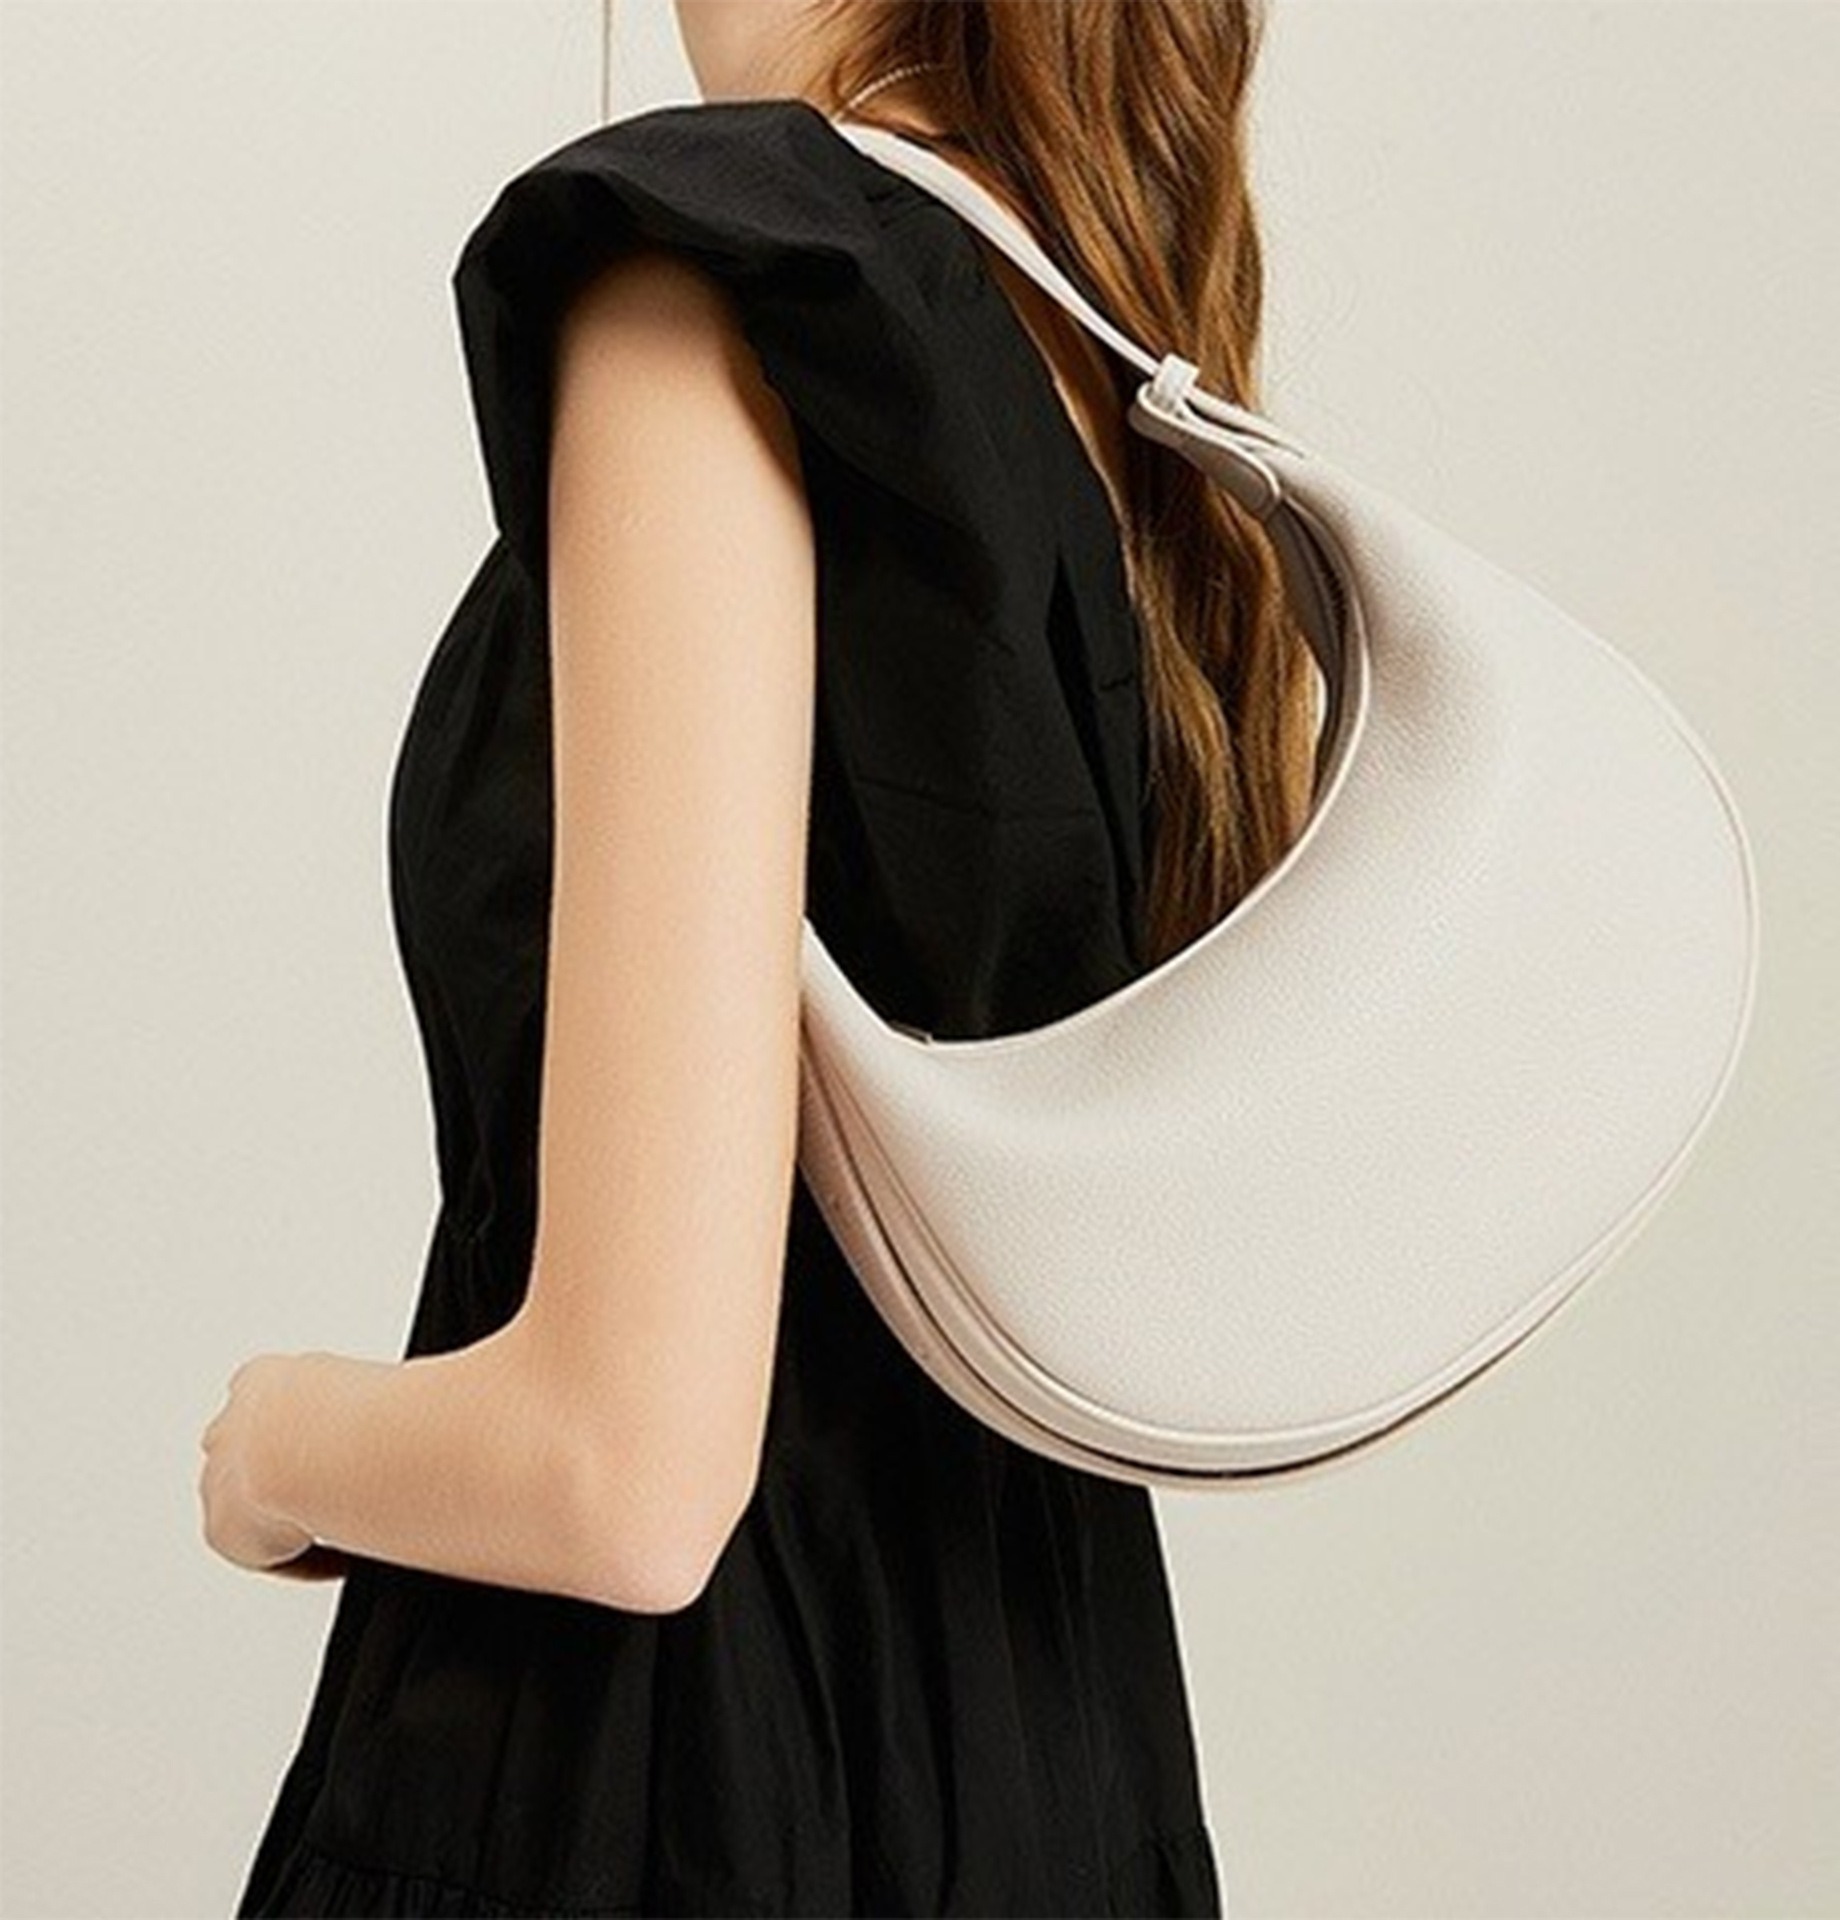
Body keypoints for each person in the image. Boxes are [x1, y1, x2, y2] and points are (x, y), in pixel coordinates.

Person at [200, 0, 1318, 1911]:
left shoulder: (720, 288)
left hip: (663, 1792)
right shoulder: (1098, 343)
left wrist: (277, 1442)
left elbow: (624, 1471)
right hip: (1050, 1763)